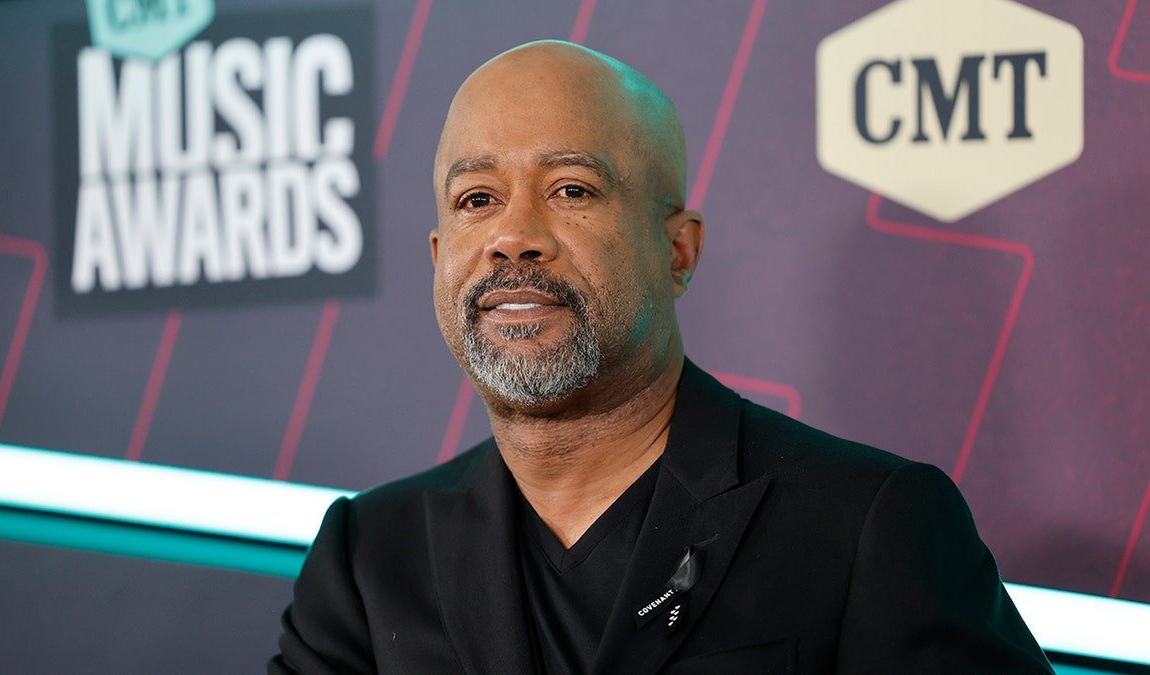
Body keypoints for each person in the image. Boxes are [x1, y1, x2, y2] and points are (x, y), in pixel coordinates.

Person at [270, 40, 1054, 674]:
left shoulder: (870, 525)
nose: (513, 235)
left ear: (678, 251)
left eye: (572, 189)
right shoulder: (368, 558)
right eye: (477, 199)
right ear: (441, 255)